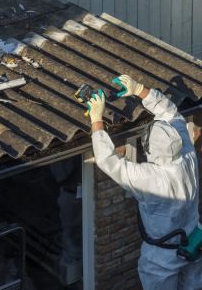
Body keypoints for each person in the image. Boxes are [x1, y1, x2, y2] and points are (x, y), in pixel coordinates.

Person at [87, 74, 202, 290]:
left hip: (162, 256)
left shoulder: (150, 178)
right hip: (193, 242)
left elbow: (107, 160)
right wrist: (140, 89)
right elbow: (171, 112)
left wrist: (96, 119)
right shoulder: (187, 154)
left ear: (149, 149)